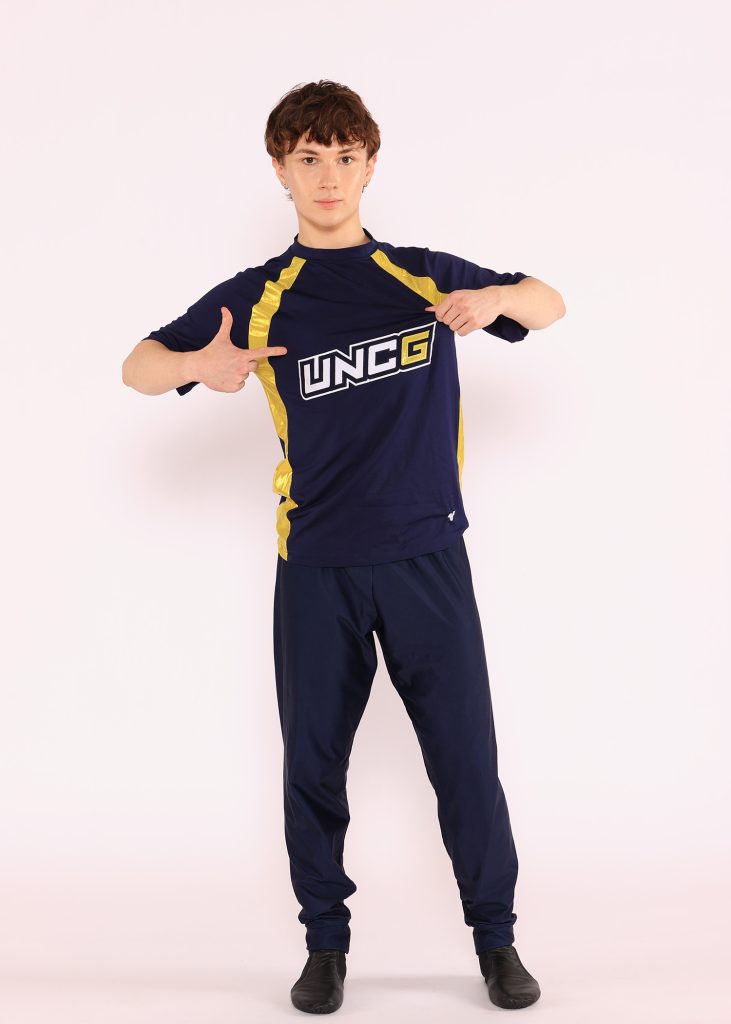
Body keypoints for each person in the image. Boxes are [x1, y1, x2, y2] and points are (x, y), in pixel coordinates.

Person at [122, 79, 565, 1014]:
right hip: (315, 563)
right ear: (281, 171)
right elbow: (137, 366)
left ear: (370, 163)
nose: (328, 177)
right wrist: (200, 366)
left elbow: (550, 301)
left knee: (463, 757)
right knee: (312, 764)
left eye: (345, 158)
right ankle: (325, 945)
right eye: (309, 160)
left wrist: (490, 300)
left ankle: (497, 941)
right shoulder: (260, 295)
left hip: (425, 557)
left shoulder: (417, 270)